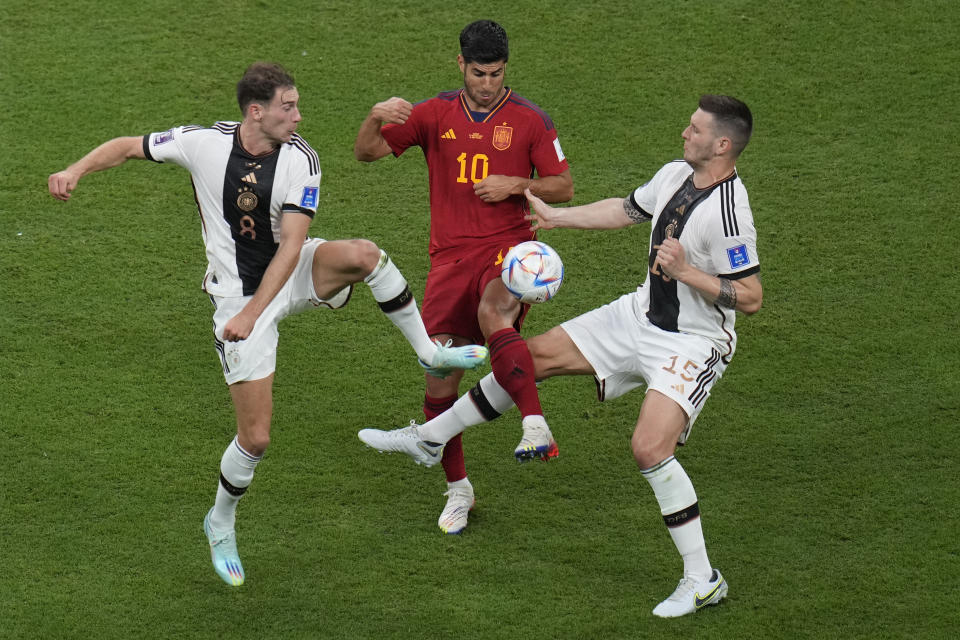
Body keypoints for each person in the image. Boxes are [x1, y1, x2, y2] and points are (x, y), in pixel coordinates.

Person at [47, 62, 489, 587]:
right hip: (235, 295)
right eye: (289, 106)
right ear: (256, 112)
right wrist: (75, 169)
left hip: (284, 278)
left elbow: (294, 245)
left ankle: (426, 350)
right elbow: (126, 145)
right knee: (255, 438)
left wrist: (254, 314)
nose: (299, 116)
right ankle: (220, 522)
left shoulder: (301, 159)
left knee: (365, 255)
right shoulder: (202, 143)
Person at [358, 95, 761, 618]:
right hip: (638, 317)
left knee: (649, 448)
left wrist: (686, 273)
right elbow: (627, 209)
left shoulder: (730, 213)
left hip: (691, 341)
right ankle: (429, 439)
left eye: (696, 129)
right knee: (526, 357)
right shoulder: (674, 174)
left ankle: (702, 578)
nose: (685, 133)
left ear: (722, 145)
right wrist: (556, 217)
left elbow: (749, 298)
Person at [354, 19, 574, 535]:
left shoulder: (529, 120)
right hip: (449, 259)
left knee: (493, 309)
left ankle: (535, 423)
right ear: (461, 65)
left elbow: (562, 186)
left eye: (497, 74)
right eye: (479, 73)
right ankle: (459, 490)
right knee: (439, 373)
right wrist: (373, 117)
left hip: (510, 250)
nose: (488, 83)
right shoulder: (434, 115)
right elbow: (367, 152)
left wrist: (516, 184)